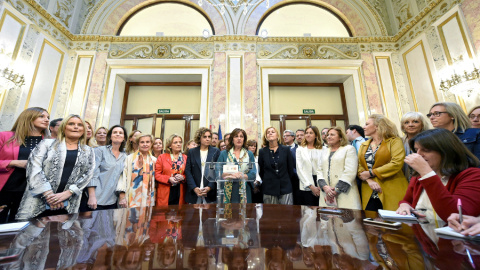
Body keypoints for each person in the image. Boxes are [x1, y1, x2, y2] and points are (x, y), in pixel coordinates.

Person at [16, 115, 95, 220]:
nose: (76, 127)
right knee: (30, 233)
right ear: (63, 127)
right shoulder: (46, 144)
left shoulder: (88, 150)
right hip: (38, 200)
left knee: (62, 234)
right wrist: (49, 196)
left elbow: (88, 174)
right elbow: (34, 168)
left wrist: (68, 193)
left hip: (68, 203)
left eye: (80, 125)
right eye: (71, 124)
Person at [396, 128, 480, 222]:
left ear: (446, 151)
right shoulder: (418, 176)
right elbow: (407, 201)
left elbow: (457, 216)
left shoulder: (473, 175)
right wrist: (404, 205)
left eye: (426, 150)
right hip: (425, 233)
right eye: (416, 150)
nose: (418, 155)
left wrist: (427, 174)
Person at [0, 107, 49, 223]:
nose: (46, 120)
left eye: (48, 117)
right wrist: (14, 163)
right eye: (41, 116)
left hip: (31, 192)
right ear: (28, 117)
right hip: (5, 189)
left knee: (20, 228)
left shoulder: (50, 142)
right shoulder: (5, 136)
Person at [358, 114, 408, 211]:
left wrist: (372, 173)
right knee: (371, 223)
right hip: (369, 190)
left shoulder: (394, 141)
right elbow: (359, 166)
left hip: (391, 187)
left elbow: (396, 163)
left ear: (377, 126)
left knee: (394, 223)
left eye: (367, 124)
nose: (363, 127)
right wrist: (369, 180)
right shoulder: (364, 145)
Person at [81, 125, 127, 211]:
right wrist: (92, 197)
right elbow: (92, 174)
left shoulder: (125, 156)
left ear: (124, 138)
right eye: (115, 132)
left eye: (120, 133)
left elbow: (122, 178)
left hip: (112, 200)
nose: (118, 134)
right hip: (95, 199)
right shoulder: (100, 151)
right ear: (110, 137)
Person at [317, 127, 361, 209]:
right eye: (328, 135)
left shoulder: (349, 149)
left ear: (340, 137)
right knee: (328, 219)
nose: (328, 137)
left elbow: (350, 171)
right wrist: (324, 186)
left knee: (346, 220)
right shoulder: (324, 151)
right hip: (326, 193)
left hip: (344, 193)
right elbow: (319, 170)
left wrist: (336, 190)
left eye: (332, 135)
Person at [217, 128, 257, 203]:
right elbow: (217, 171)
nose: (239, 138)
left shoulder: (249, 154)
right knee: (228, 213)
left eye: (241, 136)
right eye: (236, 136)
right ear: (232, 139)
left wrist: (241, 175)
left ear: (244, 139)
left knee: (244, 213)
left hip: (244, 188)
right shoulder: (224, 153)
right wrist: (226, 174)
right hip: (227, 188)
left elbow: (253, 173)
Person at [118, 134, 156, 208]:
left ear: (151, 144)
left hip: (149, 199)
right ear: (138, 144)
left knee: (146, 219)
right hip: (131, 197)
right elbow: (123, 178)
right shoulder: (129, 158)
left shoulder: (154, 160)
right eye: (142, 142)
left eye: (147, 142)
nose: (145, 144)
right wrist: (122, 197)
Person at [258, 127, 294, 205]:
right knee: (270, 214)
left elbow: (290, 169)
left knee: (287, 214)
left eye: (273, 132)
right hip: (269, 188)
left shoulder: (286, 149)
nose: (270, 133)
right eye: (268, 132)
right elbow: (261, 171)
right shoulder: (262, 152)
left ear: (277, 136)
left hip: (285, 187)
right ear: (266, 137)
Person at [185, 127, 220, 204]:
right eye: (204, 137)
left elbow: (217, 171)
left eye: (209, 137)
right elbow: (188, 171)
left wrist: (209, 187)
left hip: (210, 192)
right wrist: (194, 188)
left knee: (209, 215)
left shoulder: (216, 151)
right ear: (199, 138)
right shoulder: (192, 152)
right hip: (194, 191)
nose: (207, 139)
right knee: (193, 215)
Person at [155, 134, 187, 206]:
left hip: (181, 190)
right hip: (166, 189)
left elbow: (190, 174)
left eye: (180, 142)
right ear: (170, 145)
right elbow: (157, 174)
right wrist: (168, 178)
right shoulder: (162, 157)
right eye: (175, 142)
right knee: (164, 215)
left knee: (180, 215)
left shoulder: (185, 158)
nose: (178, 144)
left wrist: (183, 177)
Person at [296, 126, 323, 206]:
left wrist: (321, 185)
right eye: (306, 133)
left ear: (316, 135)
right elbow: (299, 169)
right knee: (309, 212)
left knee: (321, 210)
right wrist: (311, 186)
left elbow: (323, 168)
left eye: (311, 133)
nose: (308, 135)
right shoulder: (300, 149)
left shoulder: (323, 149)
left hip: (320, 182)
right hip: (306, 182)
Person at [400, 112, 430, 181]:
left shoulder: (430, 140)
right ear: (403, 126)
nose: (410, 125)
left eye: (415, 122)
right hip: (404, 181)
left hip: (425, 178)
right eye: (406, 123)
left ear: (422, 125)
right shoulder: (398, 142)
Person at [247, 139, 263, 203]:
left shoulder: (257, 157)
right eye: (251, 145)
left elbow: (259, 171)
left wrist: (258, 181)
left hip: (258, 183)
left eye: (255, 146)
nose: (253, 147)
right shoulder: (245, 157)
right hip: (249, 182)